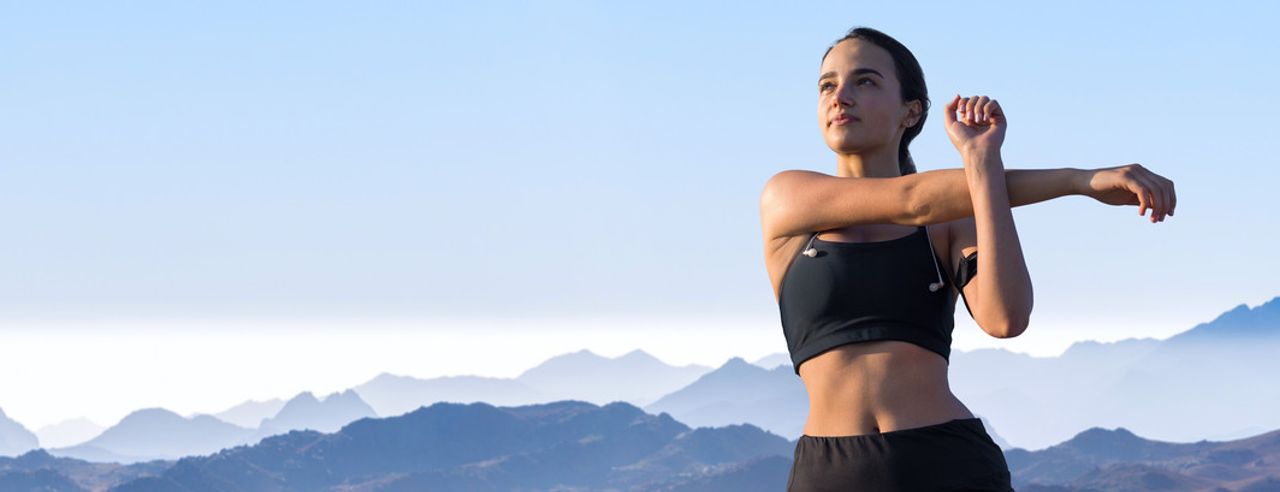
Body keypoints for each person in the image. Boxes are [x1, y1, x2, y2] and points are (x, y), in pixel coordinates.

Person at [759, 26, 1177, 491]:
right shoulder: (787, 198)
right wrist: (1081, 181)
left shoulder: (949, 222)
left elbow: (1005, 318)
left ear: (911, 111)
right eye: (827, 85)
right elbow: (910, 201)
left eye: (865, 81)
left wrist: (983, 162)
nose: (840, 97)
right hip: (829, 473)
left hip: (950, 464)